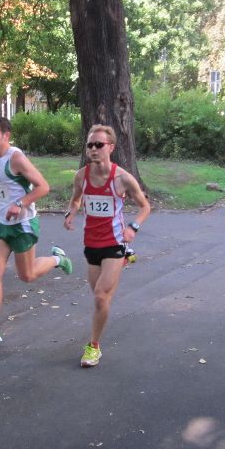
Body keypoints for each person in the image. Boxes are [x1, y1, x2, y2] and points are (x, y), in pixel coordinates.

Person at [0, 116, 73, 348]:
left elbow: (43, 187)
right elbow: (2, 183)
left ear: (6, 136)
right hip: (0, 223)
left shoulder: (16, 158)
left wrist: (20, 203)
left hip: (23, 224)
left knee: (27, 275)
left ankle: (58, 259)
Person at [63, 125, 150, 367]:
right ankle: (124, 260)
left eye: (99, 145)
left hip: (114, 242)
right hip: (91, 244)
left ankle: (93, 347)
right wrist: (71, 213)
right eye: (90, 145)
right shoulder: (81, 176)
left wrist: (133, 227)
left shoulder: (122, 179)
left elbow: (145, 207)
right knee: (99, 297)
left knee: (101, 297)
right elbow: (76, 199)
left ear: (110, 147)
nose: (93, 149)